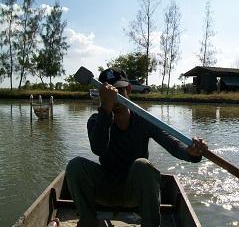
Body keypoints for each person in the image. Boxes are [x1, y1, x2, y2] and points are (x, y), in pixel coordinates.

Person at [66, 67, 208, 227]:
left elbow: (173, 145)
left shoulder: (143, 119)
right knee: (75, 165)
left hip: (134, 191)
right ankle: (89, 221)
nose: (115, 97)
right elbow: (98, 149)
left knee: (143, 165)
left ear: (128, 89)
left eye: (118, 90)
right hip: (105, 189)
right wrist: (106, 108)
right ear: (102, 94)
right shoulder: (96, 120)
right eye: (109, 93)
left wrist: (192, 152)